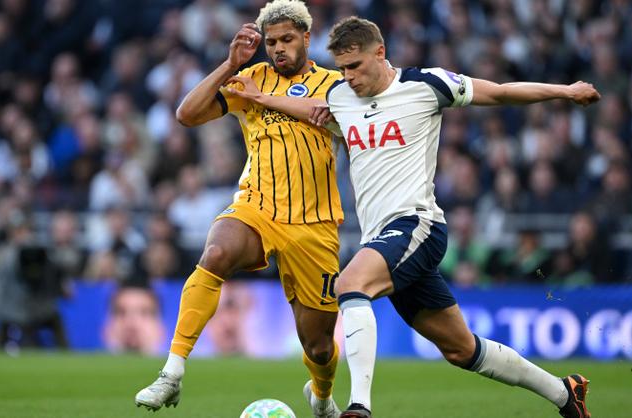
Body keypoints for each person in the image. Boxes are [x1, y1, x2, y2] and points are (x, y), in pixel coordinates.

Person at [228, 16, 599, 418]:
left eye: (355, 66)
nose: (348, 77)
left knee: (350, 284)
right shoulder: (340, 98)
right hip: (383, 242)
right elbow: (310, 107)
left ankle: (358, 407)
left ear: (380, 52)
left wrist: (566, 91)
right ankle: (565, 394)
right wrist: (262, 98)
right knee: (462, 349)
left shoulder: (426, 86)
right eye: (342, 68)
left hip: (417, 224)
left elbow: (502, 92)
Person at [134, 2, 344, 417]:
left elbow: (331, 117)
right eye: (271, 42)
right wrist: (229, 65)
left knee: (317, 345)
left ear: (306, 36)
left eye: (287, 39)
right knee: (216, 253)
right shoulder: (249, 77)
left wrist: (262, 98)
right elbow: (187, 114)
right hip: (256, 206)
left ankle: (321, 398)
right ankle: (171, 374)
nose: (278, 48)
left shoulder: (334, 84)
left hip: (313, 223)